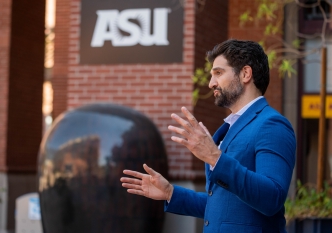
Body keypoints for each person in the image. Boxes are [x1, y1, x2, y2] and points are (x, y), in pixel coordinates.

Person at [120, 39, 296, 233]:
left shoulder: (272, 125)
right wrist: (170, 192)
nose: (211, 83)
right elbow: (223, 206)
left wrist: (214, 157)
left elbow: (272, 198)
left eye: (218, 73)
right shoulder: (228, 128)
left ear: (245, 74)